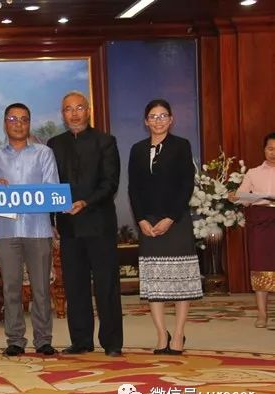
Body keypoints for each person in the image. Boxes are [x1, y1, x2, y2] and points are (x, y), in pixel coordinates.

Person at [47, 91, 124, 357]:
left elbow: (110, 183)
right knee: (75, 286)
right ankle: (81, 340)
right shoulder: (54, 144)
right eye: (68, 109)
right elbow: (49, 185)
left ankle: (112, 342)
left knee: (106, 285)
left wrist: (86, 202)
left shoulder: (105, 141)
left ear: (88, 110)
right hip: (68, 226)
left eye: (79, 108)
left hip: (99, 223)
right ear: (63, 114)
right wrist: (51, 219)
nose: (74, 114)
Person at [0, 103, 60, 357]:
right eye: (13, 119)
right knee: (10, 288)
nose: (18, 124)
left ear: (29, 123)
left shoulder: (44, 153)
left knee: (41, 289)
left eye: (24, 119)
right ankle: (15, 339)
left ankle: (43, 339)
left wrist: (29, 194)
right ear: (5, 123)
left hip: (38, 229)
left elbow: (53, 191)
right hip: (6, 231)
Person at [128, 99, 202, 355]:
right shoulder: (137, 149)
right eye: (153, 116)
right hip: (148, 222)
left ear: (171, 120)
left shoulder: (181, 145)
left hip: (176, 220)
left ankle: (179, 333)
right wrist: (141, 220)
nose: (158, 121)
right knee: (155, 281)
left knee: (181, 280)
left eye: (163, 116)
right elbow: (133, 188)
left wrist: (170, 218)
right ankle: (162, 333)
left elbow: (186, 185)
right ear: (145, 121)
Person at [230, 132, 275, 328]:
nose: (273, 153)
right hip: (260, 222)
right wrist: (235, 196)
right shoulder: (253, 173)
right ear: (264, 150)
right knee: (260, 265)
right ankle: (262, 314)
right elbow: (242, 196)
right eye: (270, 149)